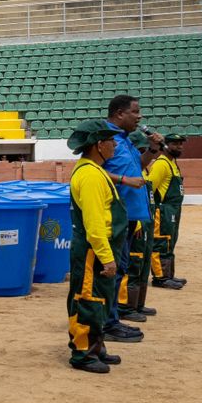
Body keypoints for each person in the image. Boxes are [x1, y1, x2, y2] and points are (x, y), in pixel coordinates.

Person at [66, 120, 129, 373]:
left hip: (98, 250)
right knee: (88, 300)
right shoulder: (90, 175)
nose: (114, 145)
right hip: (94, 252)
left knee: (100, 300)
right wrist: (107, 257)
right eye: (110, 141)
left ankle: (96, 347)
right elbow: (94, 223)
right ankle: (83, 353)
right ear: (98, 145)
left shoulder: (95, 170)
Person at [101, 95, 162, 340]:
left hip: (129, 217)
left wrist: (153, 149)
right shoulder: (104, 139)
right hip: (114, 217)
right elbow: (93, 169)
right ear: (119, 114)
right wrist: (125, 180)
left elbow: (140, 165)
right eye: (135, 112)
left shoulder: (125, 140)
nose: (140, 117)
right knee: (112, 271)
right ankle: (106, 323)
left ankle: (113, 318)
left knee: (121, 269)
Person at [123, 131, 160, 317]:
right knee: (133, 265)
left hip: (146, 224)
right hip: (136, 225)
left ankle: (138, 303)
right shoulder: (132, 171)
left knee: (144, 264)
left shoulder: (146, 171)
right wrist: (136, 222)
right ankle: (126, 306)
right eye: (143, 150)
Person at [149, 133, 187, 290]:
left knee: (170, 241)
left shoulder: (172, 163)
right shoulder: (161, 164)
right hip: (163, 210)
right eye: (175, 144)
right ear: (165, 145)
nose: (179, 146)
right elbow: (150, 188)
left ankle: (168, 275)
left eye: (180, 143)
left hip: (173, 209)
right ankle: (160, 277)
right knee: (161, 242)